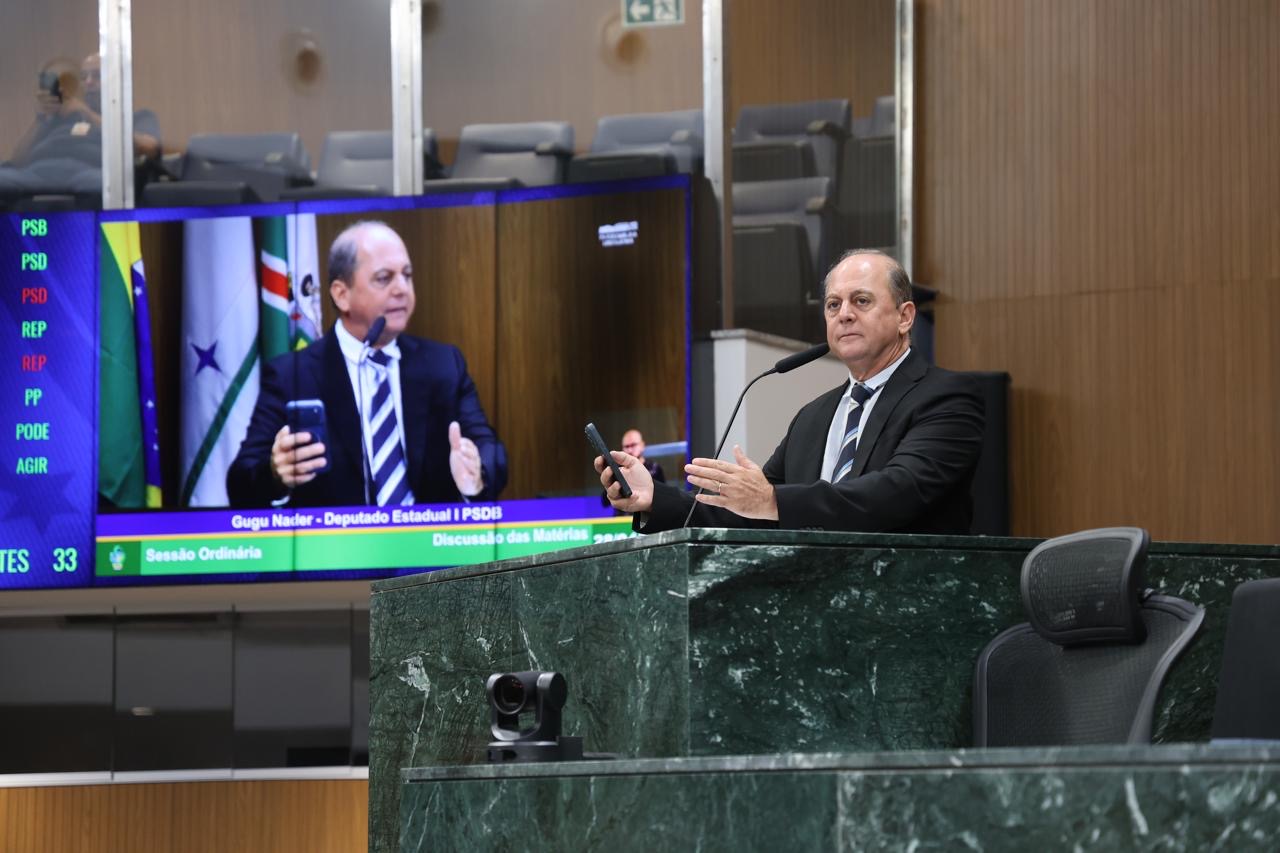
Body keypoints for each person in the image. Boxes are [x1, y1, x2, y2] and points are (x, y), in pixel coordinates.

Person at [597, 249, 985, 534]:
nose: (844, 314)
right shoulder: (813, 418)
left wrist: (772, 500)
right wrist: (655, 497)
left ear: (905, 317)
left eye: (861, 301)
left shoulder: (947, 398)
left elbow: (894, 495)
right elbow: (749, 514)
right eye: (833, 305)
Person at [227, 220, 507, 507]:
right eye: (384, 278)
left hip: (427, 533)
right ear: (341, 294)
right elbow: (240, 482)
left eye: (407, 275)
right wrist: (275, 474)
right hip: (335, 536)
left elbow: (490, 450)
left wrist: (478, 473)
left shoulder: (444, 364)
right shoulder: (292, 375)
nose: (402, 289)